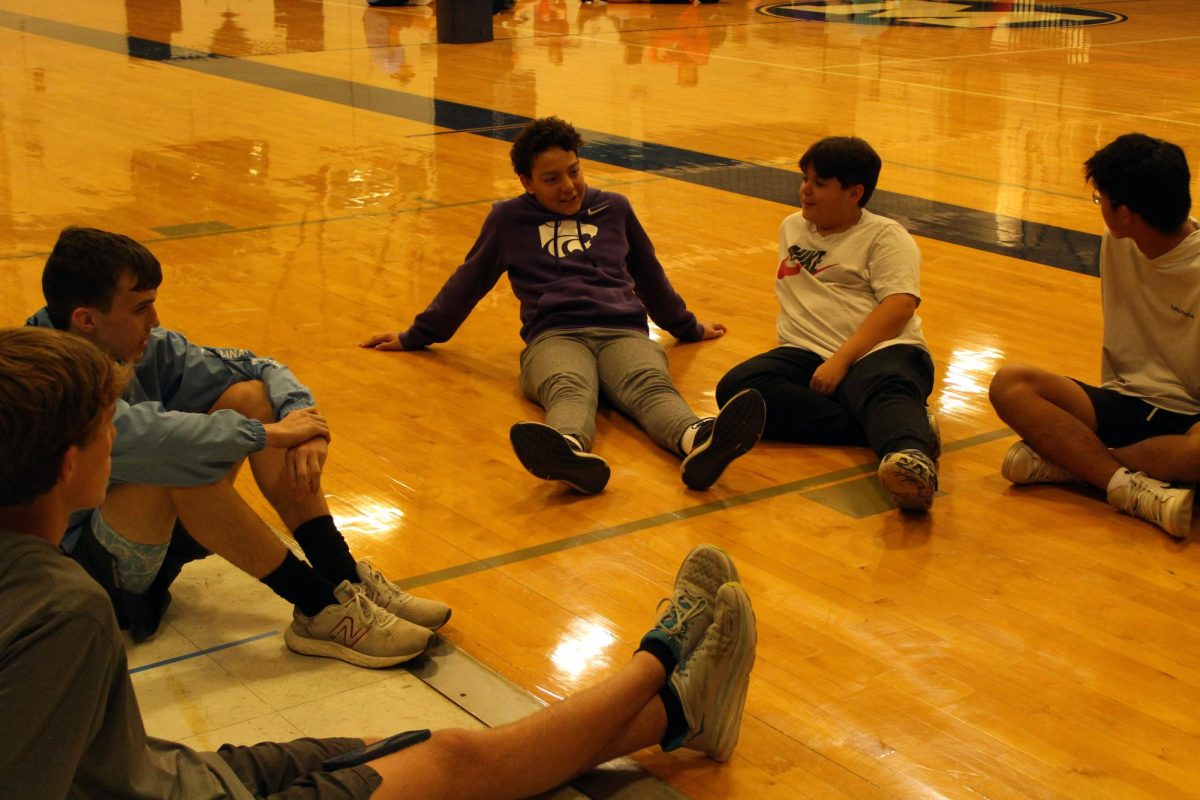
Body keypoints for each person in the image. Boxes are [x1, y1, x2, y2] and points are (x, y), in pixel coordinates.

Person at [0, 324, 758, 798]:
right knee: (456, 760)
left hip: (171, 769)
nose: (122, 439)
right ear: (70, 463)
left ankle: (684, 714)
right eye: (110, 428)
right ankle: (662, 657)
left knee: (409, 748)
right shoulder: (63, 608)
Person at [26, 226, 449, 668]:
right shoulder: (51, 381)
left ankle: (340, 572)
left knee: (251, 396)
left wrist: (304, 422)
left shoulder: (136, 344)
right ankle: (319, 607)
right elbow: (147, 436)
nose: (154, 320)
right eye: (141, 307)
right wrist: (265, 436)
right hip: (82, 575)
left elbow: (256, 365)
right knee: (180, 461)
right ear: (86, 319)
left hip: (142, 538)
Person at [361, 116, 765, 494]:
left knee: (650, 385)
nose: (568, 186)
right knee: (569, 389)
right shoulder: (507, 220)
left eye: (573, 171)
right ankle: (569, 453)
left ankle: (699, 439)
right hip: (554, 336)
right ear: (526, 182)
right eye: (551, 179)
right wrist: (416, 336)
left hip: (622, 330)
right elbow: (468, 282)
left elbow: (650, 277)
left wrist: (687, 327)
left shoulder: (616, 208)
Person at [989, 133, 1200, 538]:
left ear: (1125, 213)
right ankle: (1125, 485)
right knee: (1011, 384)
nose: (1099, 207)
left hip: (1190, 419)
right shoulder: (1119, 242)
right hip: (1125, 400)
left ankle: (1076, 465)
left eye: (1101, 199)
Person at [715, 136, 939, 511]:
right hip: (804, 353)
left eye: (819, 184)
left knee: (880, 387)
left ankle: (911, 460)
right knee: (739, 391)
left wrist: (842, 360)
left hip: (880, 351)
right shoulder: (792, 227)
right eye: (805, 179)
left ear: (854, 193)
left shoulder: (886, 236)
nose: (805, 191)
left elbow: (900, 304)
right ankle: (897, 424)